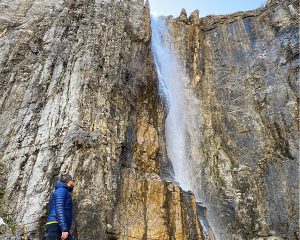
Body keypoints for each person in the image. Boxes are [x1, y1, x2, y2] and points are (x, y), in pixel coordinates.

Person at [45, 174, 74, 240]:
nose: (73, 182)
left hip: (58, 225)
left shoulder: (62, 191)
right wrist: (64, 229)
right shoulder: (61, 191)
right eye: (73, 180)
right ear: (69, 181)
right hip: (56, 225)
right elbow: (59, 208)